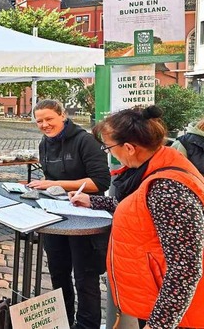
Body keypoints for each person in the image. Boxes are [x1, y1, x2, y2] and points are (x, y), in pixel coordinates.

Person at [84, 105, 203, 329]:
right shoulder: (155, 166)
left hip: (177, 317)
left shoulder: (168, 189)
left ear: (129, 148)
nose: (109, 153)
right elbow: (140, 209)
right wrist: (93, 201)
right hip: (156, 299)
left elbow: (185, 268)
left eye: (108, 148)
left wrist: (158, 324)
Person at [27, 99, 110, 329]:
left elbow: (101, 181)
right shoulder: (45, 143)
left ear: (63, 116)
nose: (44, 124)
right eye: (39, 121)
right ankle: (62, 322)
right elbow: (49, 180)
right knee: (58, 273)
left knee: (85, 278)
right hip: (55, 217)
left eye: (49, 119)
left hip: (86, 219)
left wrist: (56, 184)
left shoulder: (85, 141)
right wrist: (43, 186)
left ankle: (87, 325)